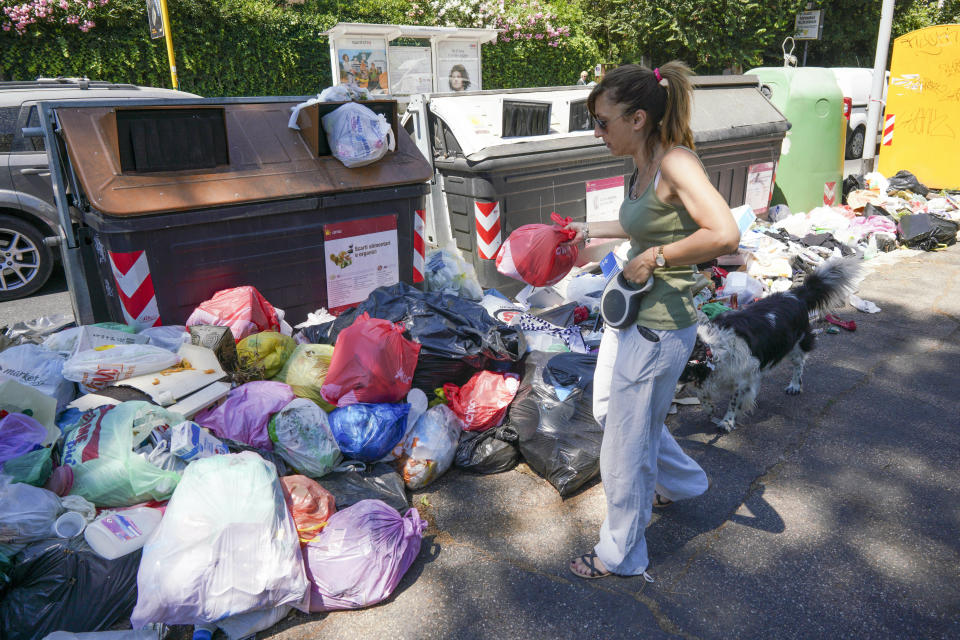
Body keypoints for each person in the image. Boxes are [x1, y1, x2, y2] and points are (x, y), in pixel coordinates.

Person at [564, 62, 740, 581]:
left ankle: (619, 553)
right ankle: (682, 483)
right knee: (609, 413)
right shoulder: (641, 163)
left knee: (625, 442)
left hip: (661, 325)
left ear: (638, 117)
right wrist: (586, 229)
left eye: (603, 121)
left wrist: (658, 257)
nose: (598, 131)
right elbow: (641, 220)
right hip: (634, 314)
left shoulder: (677, 162)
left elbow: (725, 233)